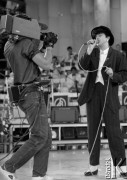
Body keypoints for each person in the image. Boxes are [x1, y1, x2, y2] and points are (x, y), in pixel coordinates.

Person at [0, 17, 54, 180]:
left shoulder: (8, 44)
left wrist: (42, 45)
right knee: (39, 136)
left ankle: (39, 175)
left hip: (23, 93)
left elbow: (26, 58)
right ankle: (8, 166)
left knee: (46, 135)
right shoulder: (27, 43)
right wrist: (50, 47)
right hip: (31, 93)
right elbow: (46, 64)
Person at [78, 26, 127, 178]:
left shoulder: (118, 55)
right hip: (92, 95)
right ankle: (93, 166)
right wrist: (88, 50)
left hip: (109, 95)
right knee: (92, 131)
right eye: (95, 36)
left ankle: (122, 167)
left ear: (107, 37)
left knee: (114, 132)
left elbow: (125, 74)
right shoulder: (92, 52)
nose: (97, 38)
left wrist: (114, 74)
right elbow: (82, 66)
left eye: (100, 35)